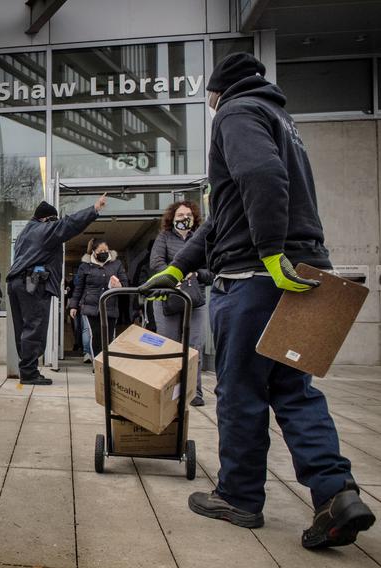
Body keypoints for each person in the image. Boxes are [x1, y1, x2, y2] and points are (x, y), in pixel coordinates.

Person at [141, 53, 375, 547]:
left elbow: (262, 177)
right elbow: (223, 215)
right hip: (306, 275)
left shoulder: (237, 112)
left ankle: (239, 497)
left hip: (255, 279)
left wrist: (269, 253)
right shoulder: (283, 120)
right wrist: (177, 266)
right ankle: (337, 494)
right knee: (295, 391)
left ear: (217, 91)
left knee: (242, 393)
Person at [7, 196, 106, 385]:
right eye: (53, 220)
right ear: (46, 219)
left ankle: (27, 369)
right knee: (35, 326)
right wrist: (93, 209)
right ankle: (29, 373)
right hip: (33, 284)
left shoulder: (25, 233)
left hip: (17, 283)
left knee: (24, 328)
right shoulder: (44, 229)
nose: (55, 224)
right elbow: (69, 225)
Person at [149, 201, 213, 407]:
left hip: (195, 300)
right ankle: (168, 392)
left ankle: (195, 392)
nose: (183, 218)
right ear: (172, 218)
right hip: (168, 298)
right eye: (179, 215)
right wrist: (174, 274)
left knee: (194, 347)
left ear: (194, 219)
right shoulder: (164, 238)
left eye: (188, 215)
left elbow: (212, 270)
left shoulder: (202, 239)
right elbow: (156, 262)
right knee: (169, 346)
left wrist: (196, 274)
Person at [68, 238, 128, 359]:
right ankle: (98, 364)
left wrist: (119, 285)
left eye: (106, 250)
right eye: (101, 251)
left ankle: (108, 363)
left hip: (110, 306)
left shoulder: (116, 264)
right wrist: (73, 306)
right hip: (91, 306)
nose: (104, 253)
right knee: (95, 336)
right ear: (94, 252)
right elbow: (79, 287)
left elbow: (125, 284)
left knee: (109, 336)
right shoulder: (85, 266)